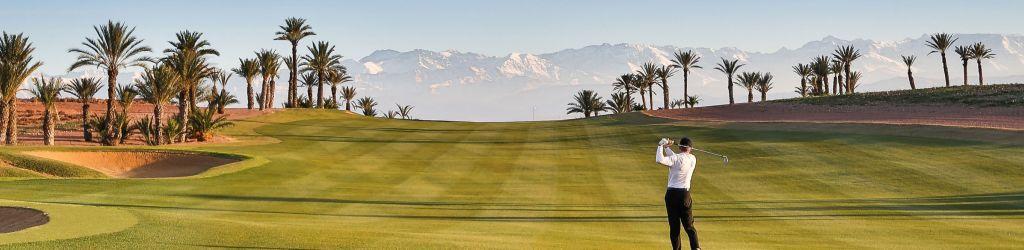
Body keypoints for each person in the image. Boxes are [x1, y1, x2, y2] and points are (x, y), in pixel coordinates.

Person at [656, 137, 700, 250]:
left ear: (680, 147)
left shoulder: (675, 158)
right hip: (685, 195)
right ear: (690, 148)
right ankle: (696, 248)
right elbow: (677, 158)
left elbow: (660, 159)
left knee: (674, 228)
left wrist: (661, 145)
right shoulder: (693, 159)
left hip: (672, 195)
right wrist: (667, 147)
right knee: (689, 226)